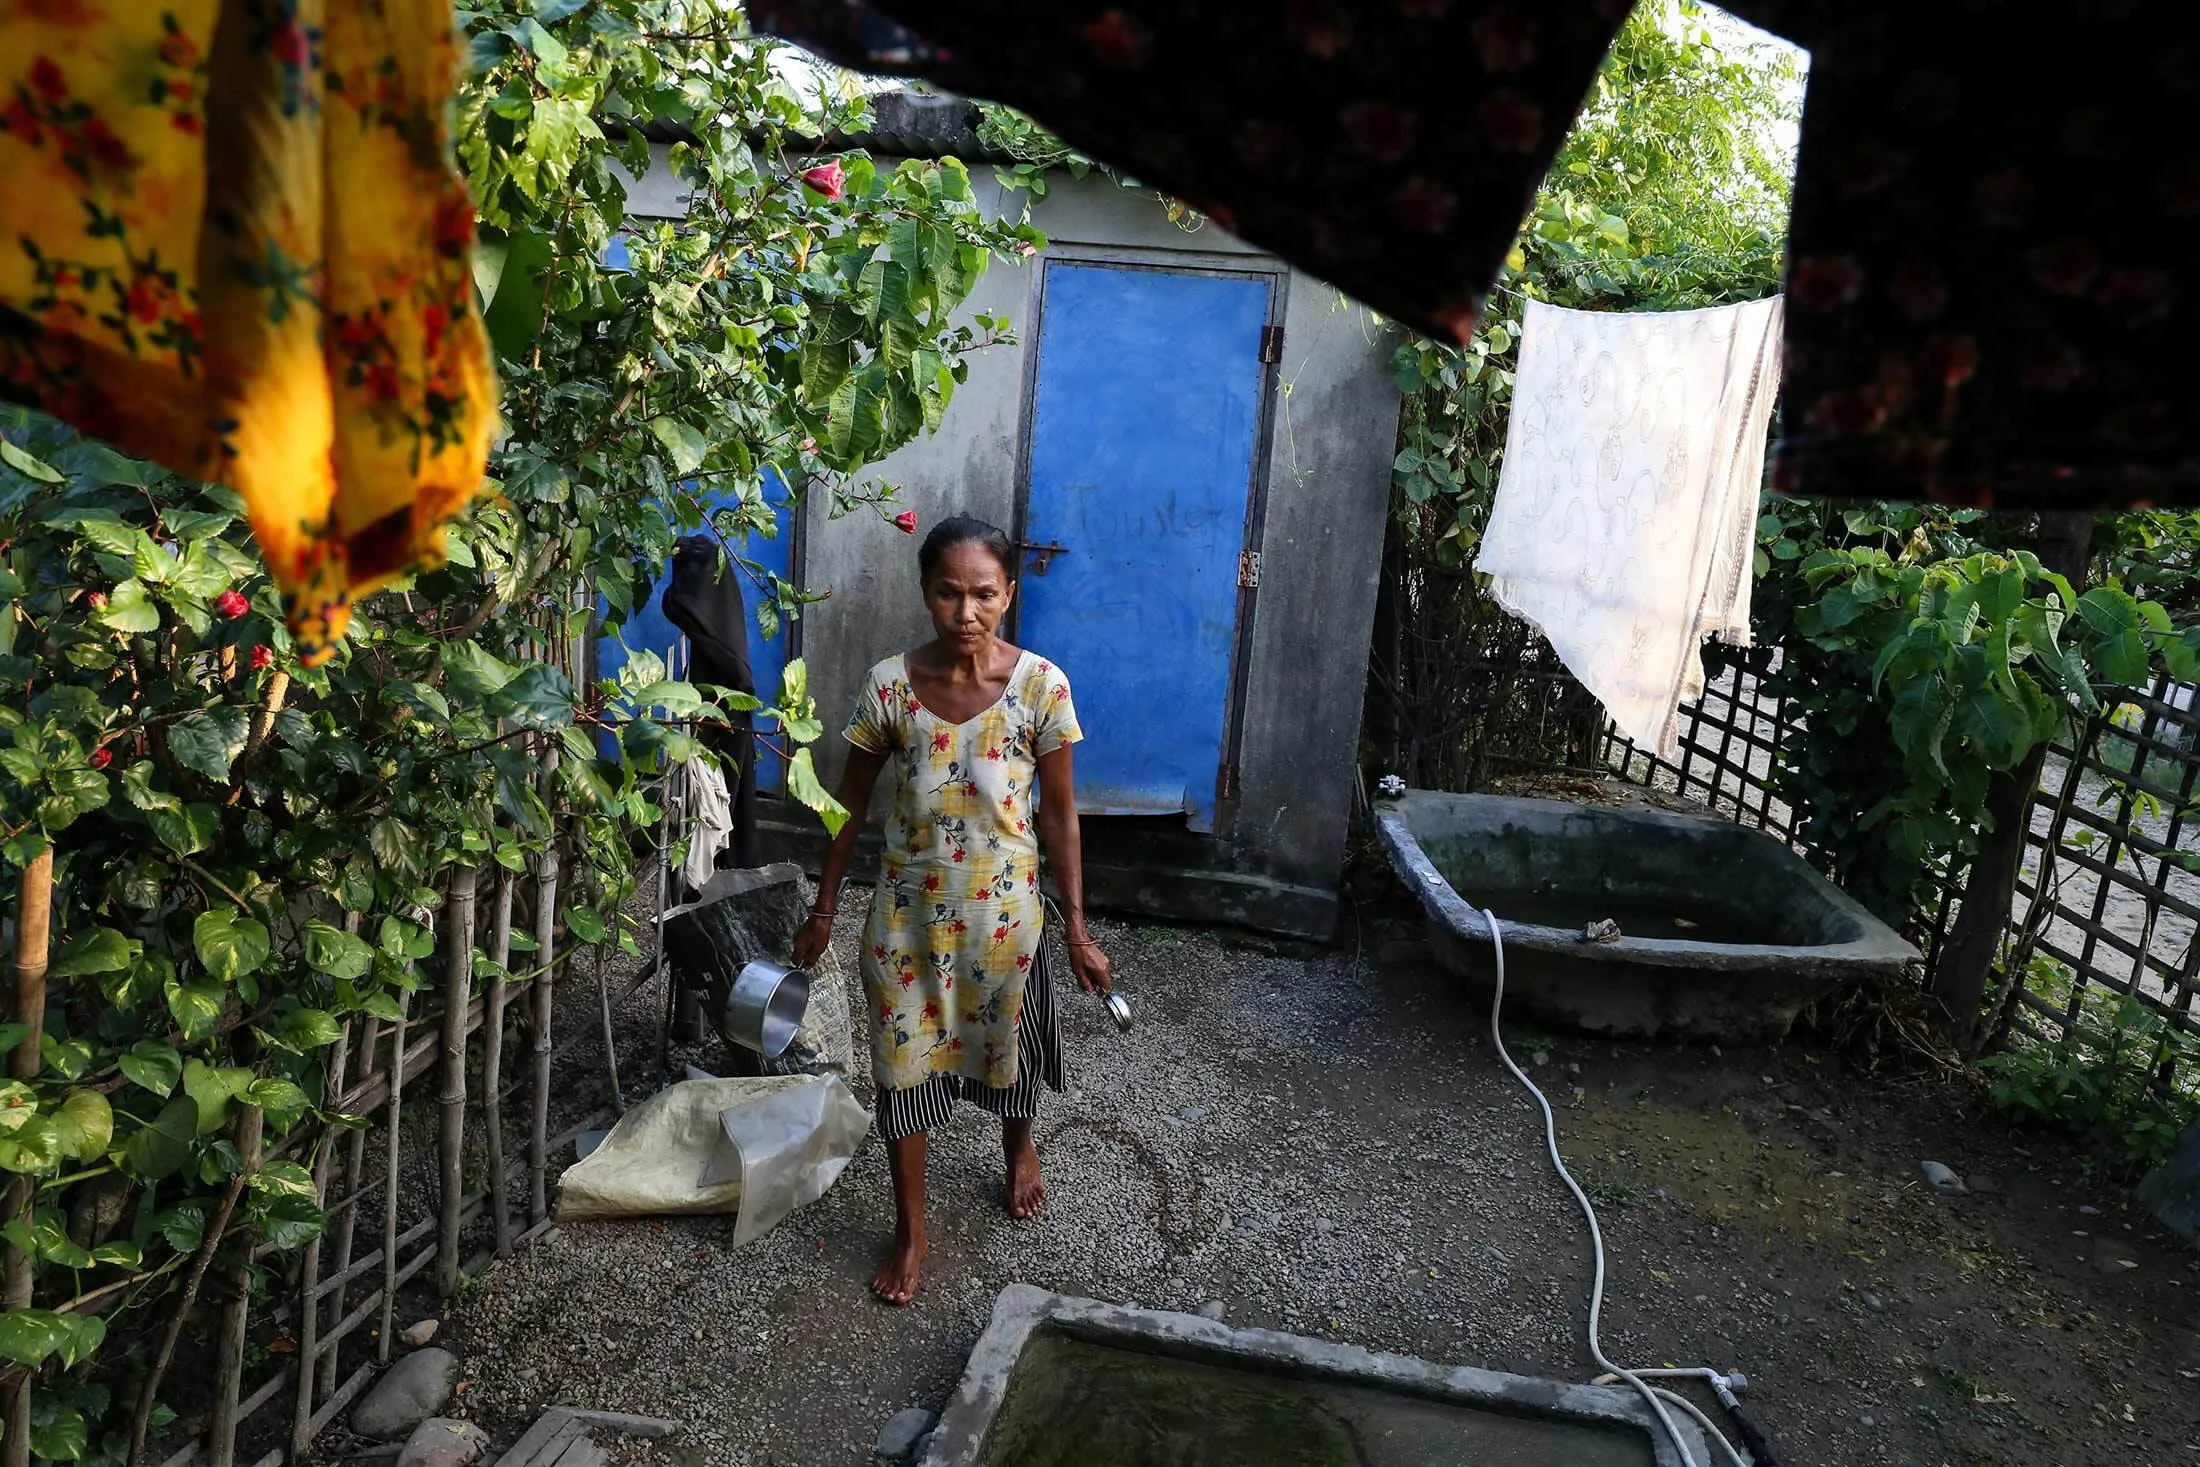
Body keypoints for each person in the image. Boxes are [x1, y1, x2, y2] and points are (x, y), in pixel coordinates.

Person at [792, 514, 1112, 1305]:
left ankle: (1019, 1149)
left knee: (1011, 1050)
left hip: (1008, 923)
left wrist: (1077, 928)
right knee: (902, 1074)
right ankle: (911, 1228)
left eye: (982, 594)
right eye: (948, 593)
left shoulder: (1043, 686)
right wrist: (825, 909)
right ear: (926, 592)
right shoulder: (889, 686)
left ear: (1008, 593)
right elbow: (850, 806)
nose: (965, 612)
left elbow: (1060, 817)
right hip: (907, 925)